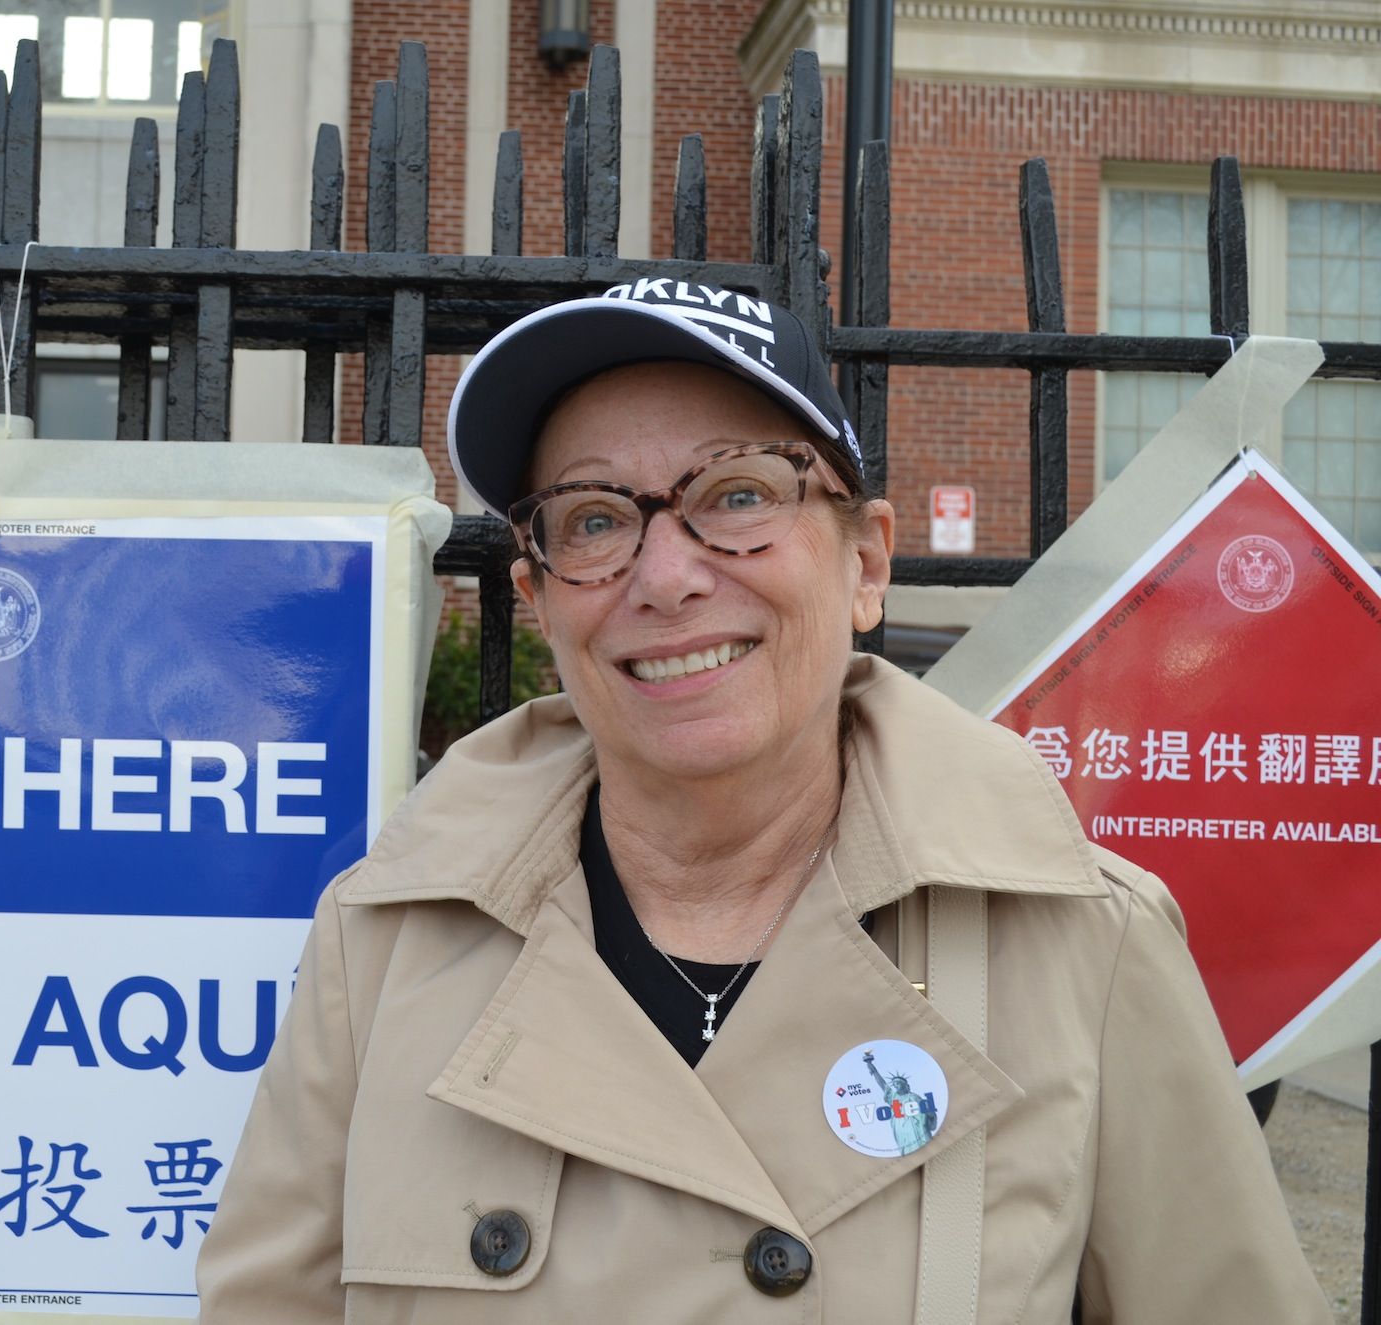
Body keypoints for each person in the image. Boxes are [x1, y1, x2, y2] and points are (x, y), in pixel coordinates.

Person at [195, 277, 1329, 1322]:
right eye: (593, 518)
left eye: (737, 494)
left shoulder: (1083, 940)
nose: (666, 572)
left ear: (866, 563)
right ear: (538, 600)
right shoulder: (381, 940)